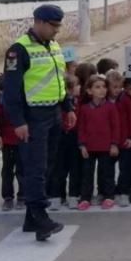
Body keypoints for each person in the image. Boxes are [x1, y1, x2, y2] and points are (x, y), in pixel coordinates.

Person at [3, 4, 74, 241]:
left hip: (53, 113)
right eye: (54, 26)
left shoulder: (53, 45)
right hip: (33, 118)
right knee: (35, 168)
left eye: (58, 26)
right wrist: (19, 122)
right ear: (40, 22)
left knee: (47, 166)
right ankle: (41, 217)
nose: (57, 31)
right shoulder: (18, 49)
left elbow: (59, 80)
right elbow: (11, 91)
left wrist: (67, 107)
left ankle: (31, 220)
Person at [77, 75, 120, 210]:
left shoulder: (110, 107)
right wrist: (82, 144)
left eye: (104, 87)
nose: (102, 90)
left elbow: (115, 126)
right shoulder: (84, 109)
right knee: (87, 174)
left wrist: (114, 144)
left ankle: (108, 196)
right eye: (97, 87)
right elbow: (81, 128)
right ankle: (85, 198)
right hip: (89, 147)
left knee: (106, 173)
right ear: (89, 91)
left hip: (106, 146)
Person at [0, 73, 25, 211]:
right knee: (7, 170)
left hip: (21, 138)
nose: (3, 93)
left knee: (22, 169)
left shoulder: (20, 101)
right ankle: (7, 197)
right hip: (6, 139)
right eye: (0, 90)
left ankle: (23, 196)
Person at [51, 75, 82, 209]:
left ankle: (73, 195)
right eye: (76, 85)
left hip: (74, 136)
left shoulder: (78, 101)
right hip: (59, 135)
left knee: (74, 167)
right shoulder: (59, 102)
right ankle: (57, 195)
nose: (78, 87)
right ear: (69, 88)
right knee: (58, 168)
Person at [106, 70, 131, 207]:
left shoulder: (125, 100)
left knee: (125, 168)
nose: (117, 90)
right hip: (109, 142)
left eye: (119, 87)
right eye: (114, 87)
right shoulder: (104, 101)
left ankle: (124, 193)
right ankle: (108, 193)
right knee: (107, 169)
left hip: (124, 140)